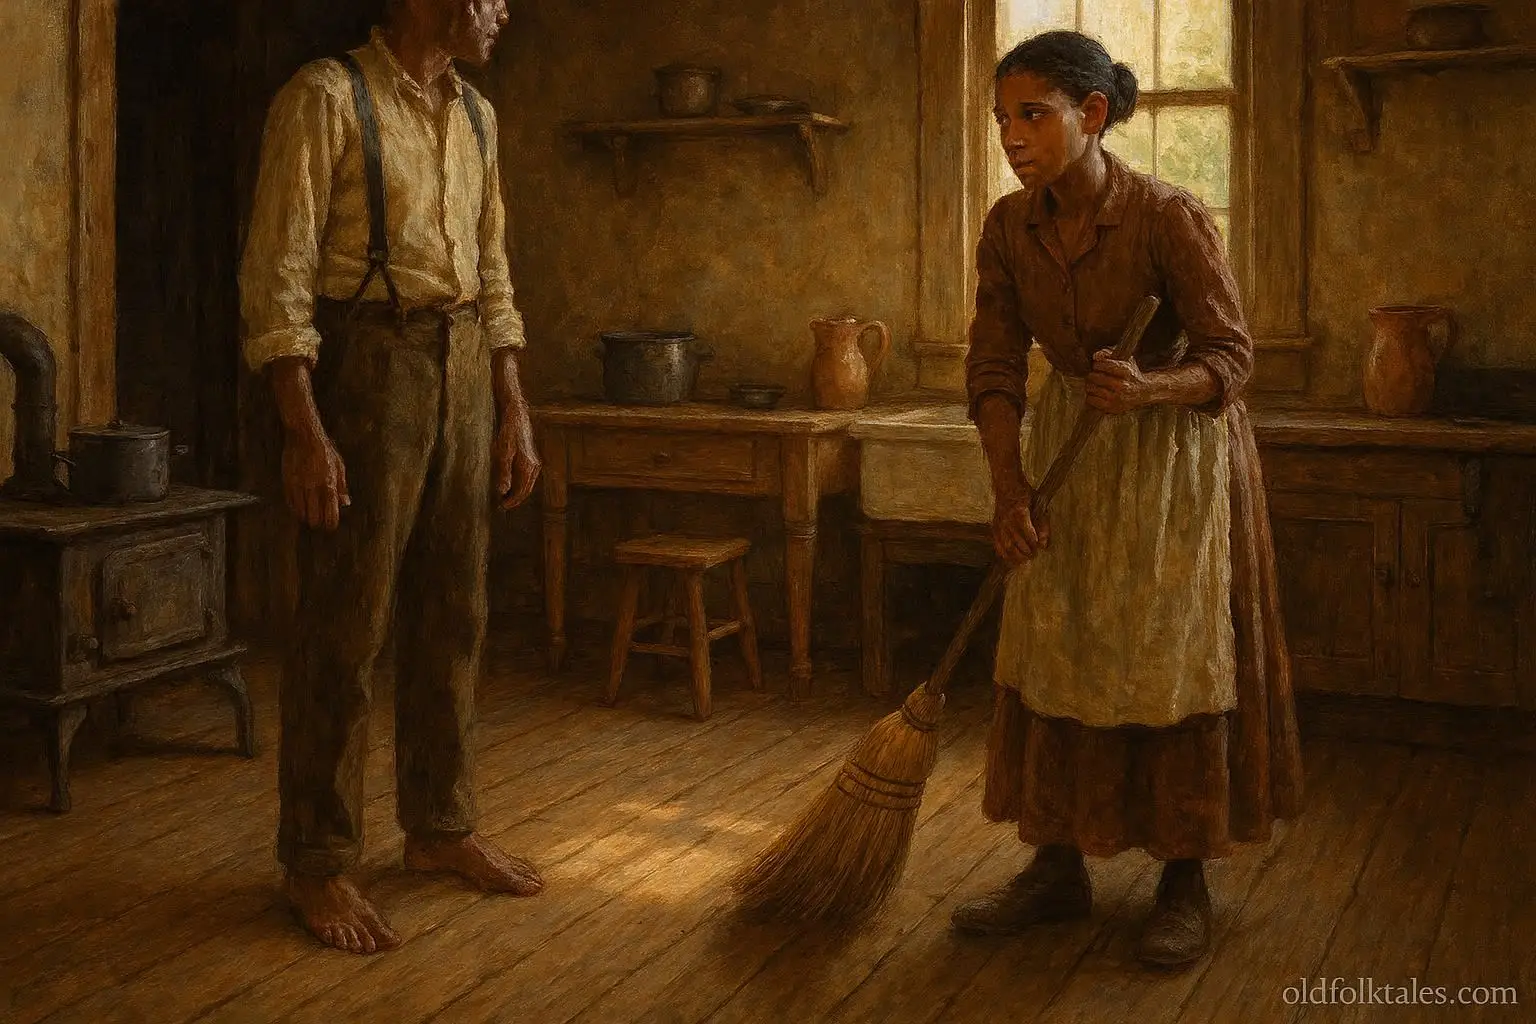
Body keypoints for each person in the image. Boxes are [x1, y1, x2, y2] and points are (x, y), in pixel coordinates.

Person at [953, 30, 1303, 969]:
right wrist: (1007, 485)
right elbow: (992, 363)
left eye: (1033, 115)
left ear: (1092, 114)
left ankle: (1184, 882)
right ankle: (1056, 867)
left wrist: (1149, 389)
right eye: (1002, 119)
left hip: (1171, 465)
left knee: (1167, 653)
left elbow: (1233, 358)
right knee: (1059, 645)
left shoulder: (1167, 217)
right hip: (1069, 455)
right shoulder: (1008, 227)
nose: (1012, 136)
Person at [239, 0, 544, 955]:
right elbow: (277, 278)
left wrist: (512, 403)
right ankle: (318, 858)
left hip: (462, 367)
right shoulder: (325, 99)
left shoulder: (478, 115)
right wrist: (303, 431)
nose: (502, 10)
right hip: (366, 370)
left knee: (455, 609)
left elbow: (492, 270)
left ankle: (440, 828)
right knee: (346, 620)